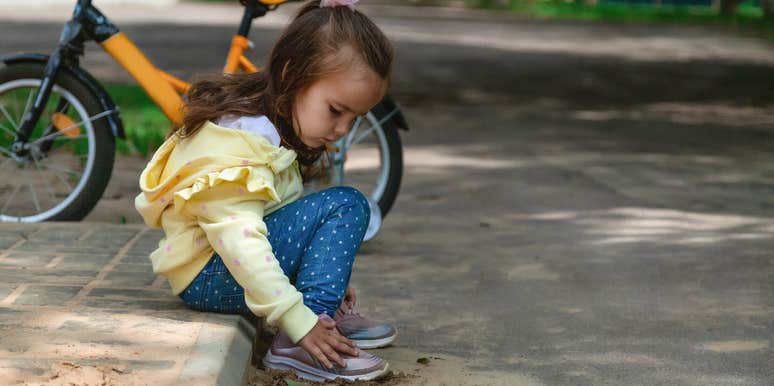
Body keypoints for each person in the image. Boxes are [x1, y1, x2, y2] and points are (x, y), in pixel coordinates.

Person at [134, 0, 396, 381]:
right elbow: (240, 241)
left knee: (334, 208)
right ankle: (302, 337)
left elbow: (273, 219)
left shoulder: (268, 124)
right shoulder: (243, 140)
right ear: (293, 74)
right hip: (211, 274)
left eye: (355, 118)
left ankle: (318, 308)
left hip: (218, 269)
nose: (342, 130)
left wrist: (322, 270)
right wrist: (297, 319)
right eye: (336, 110)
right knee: (347, 205)